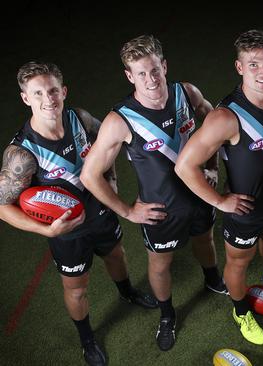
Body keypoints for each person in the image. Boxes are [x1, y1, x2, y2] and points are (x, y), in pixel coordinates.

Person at [0, 62, 157, 366]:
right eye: (38, 93)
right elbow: (2, 206)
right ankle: (87, 338)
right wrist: (46, 231)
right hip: (68, 232)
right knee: (76, 288)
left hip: (101, 211)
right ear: (25, 98)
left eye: (53, 90)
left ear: (64, 91)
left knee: (117, 255)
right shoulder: (22, 154)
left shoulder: (80, 119)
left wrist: (110, 179)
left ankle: (127, 292)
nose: (48, 99)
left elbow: (108, 143)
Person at [79, 35, 227, 352]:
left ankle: (213, 279)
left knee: (206, 240)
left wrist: (212, 165)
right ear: (129, 76)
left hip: (200, 196)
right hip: (161, 211)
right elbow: (90, 175)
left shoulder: (186, 92)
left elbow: (213, 121)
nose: (150, 79)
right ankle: (167, 315)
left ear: (164, 66)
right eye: (141, 73)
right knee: (160, 265)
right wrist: (128, 211)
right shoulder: (120, 120)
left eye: (154, 70)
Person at [175, 29, 263, 346]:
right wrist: (221, 202)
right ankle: (240, 311)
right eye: (253, 65)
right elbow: (184, 166)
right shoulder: (226, 117)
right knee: (238, 262)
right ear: (239, 67)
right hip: (245, 210)